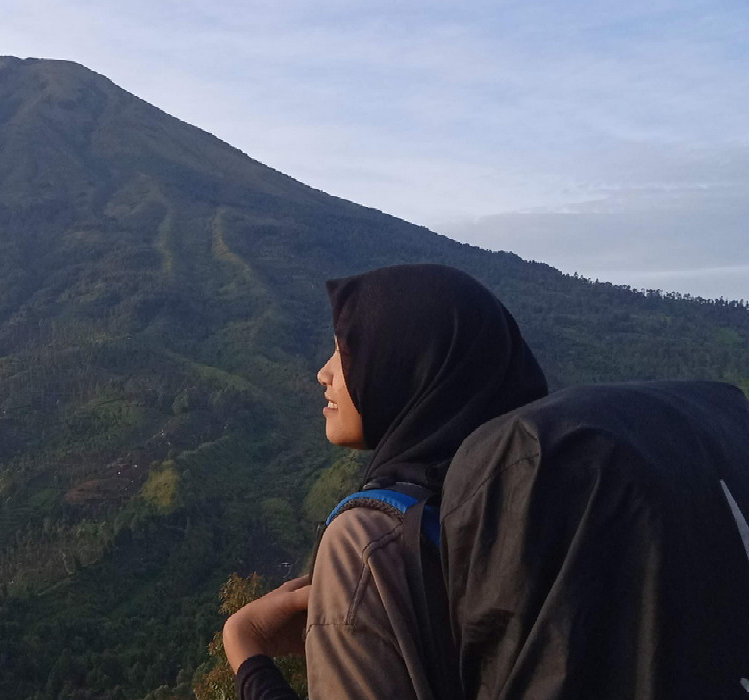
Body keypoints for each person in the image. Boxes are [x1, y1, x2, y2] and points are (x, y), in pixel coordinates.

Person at [222, 264, 548, 700]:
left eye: (346, 352)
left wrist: (247, 647)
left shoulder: (369, 542)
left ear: (407, 367)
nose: (325, 372)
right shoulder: (533, 498)